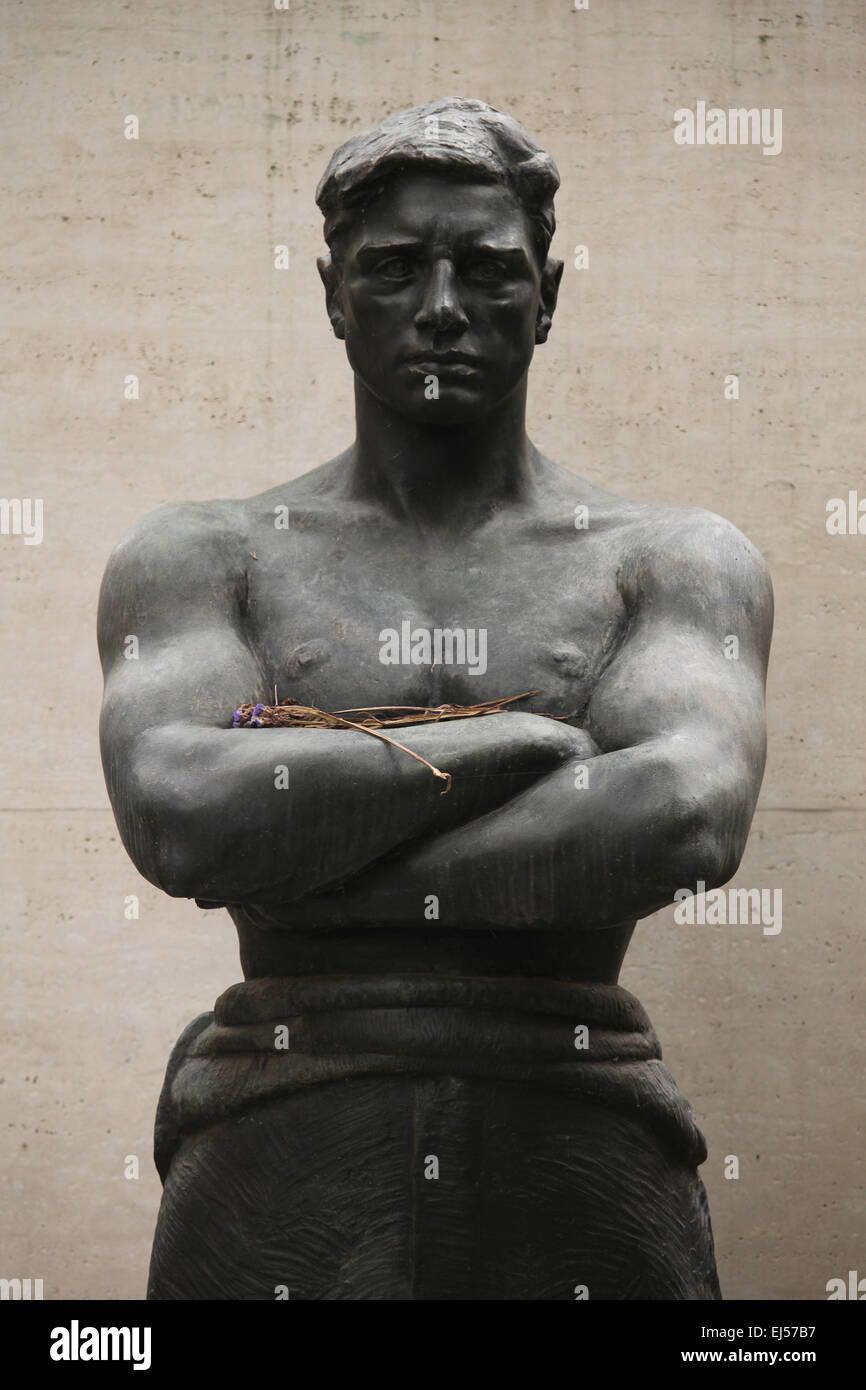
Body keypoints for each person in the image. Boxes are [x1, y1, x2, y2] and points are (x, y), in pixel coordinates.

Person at [98, 98, 772, 1300]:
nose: (444, 307)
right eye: (396, 269)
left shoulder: (669, 555)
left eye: (487, 271)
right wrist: (518, 741)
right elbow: (180, 817)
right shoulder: (205, 555)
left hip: (577, 1117)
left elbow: (681, 816)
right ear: (331, 294)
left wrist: (303, 849)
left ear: (549, 294)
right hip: (282, 1125)